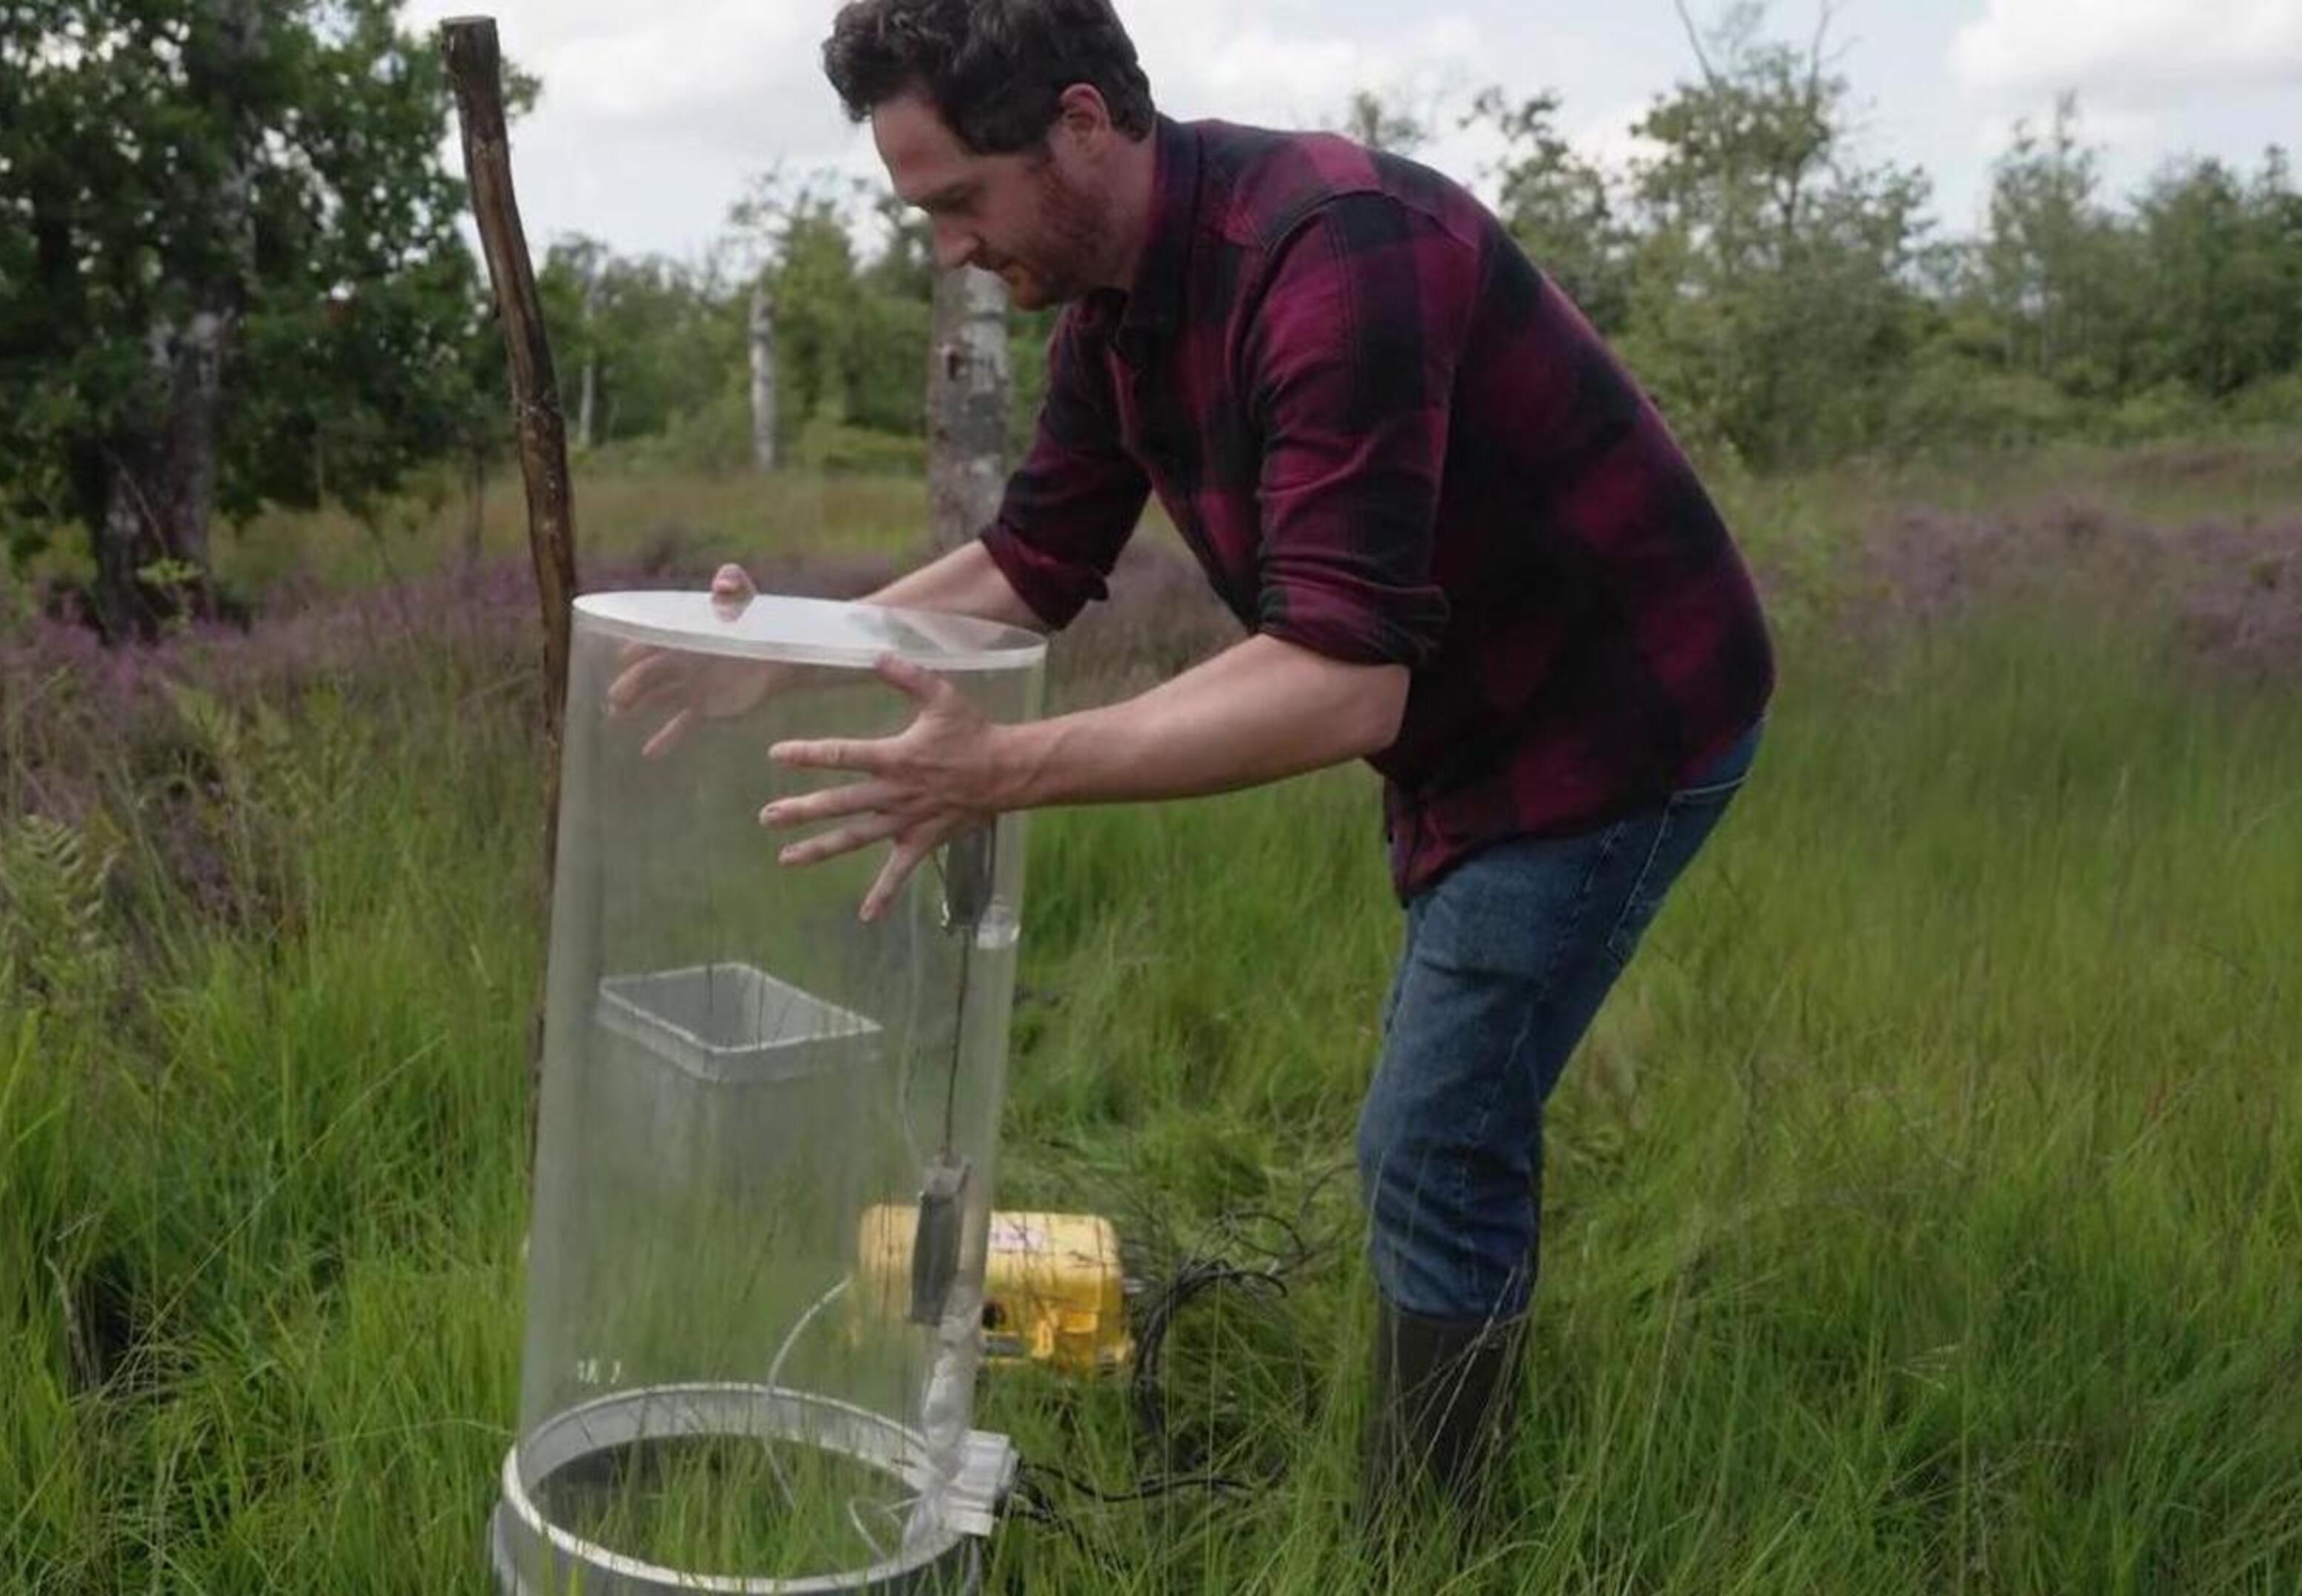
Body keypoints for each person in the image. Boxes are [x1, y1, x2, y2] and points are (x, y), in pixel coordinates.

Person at [612, 0, 1775, 1530]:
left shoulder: (1333, 257)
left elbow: (1343, 684)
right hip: (1468, 717)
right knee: (1444, 1104)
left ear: (1082, 124)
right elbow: (1029, 564)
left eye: (961, 199)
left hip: (1618, 722)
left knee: (1432, 1137)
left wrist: (1005, 769)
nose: (950, 248)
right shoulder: (1112, 311)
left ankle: (1427, 1538)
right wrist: (792, 649)